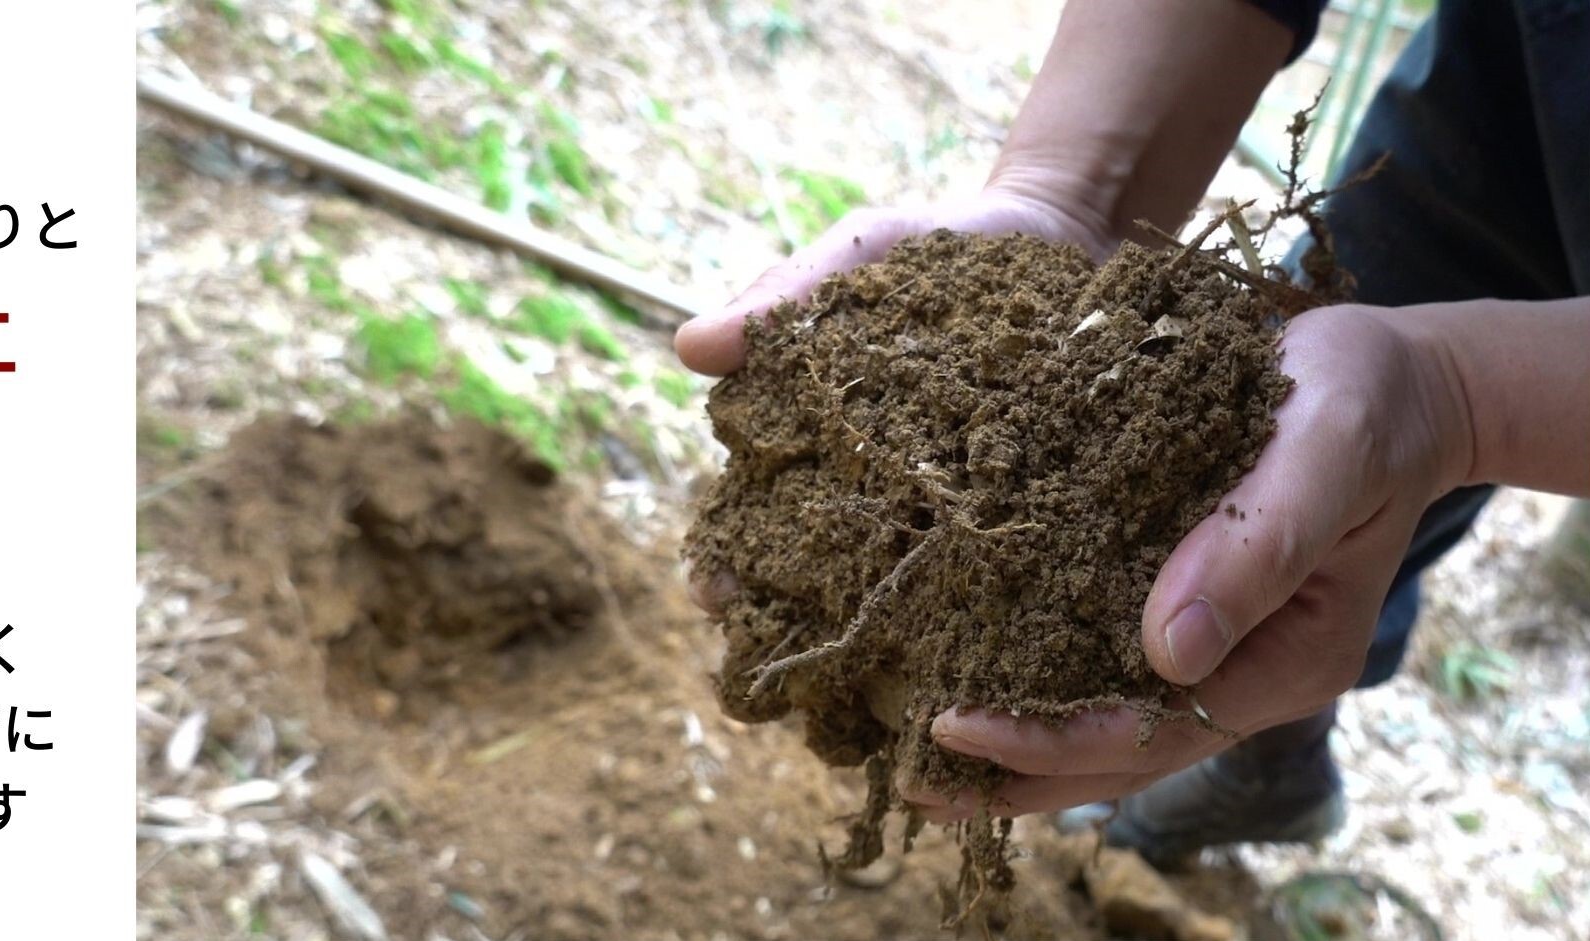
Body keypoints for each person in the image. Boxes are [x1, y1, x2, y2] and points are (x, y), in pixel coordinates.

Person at [674, 0, 1590, 866]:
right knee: (1308, 481)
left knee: (1343, 471)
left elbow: (1417, 406)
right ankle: (1283, 752)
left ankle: (1269, 756)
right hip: (1521, 63)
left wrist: (1464, 397)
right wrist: (1068, 191)